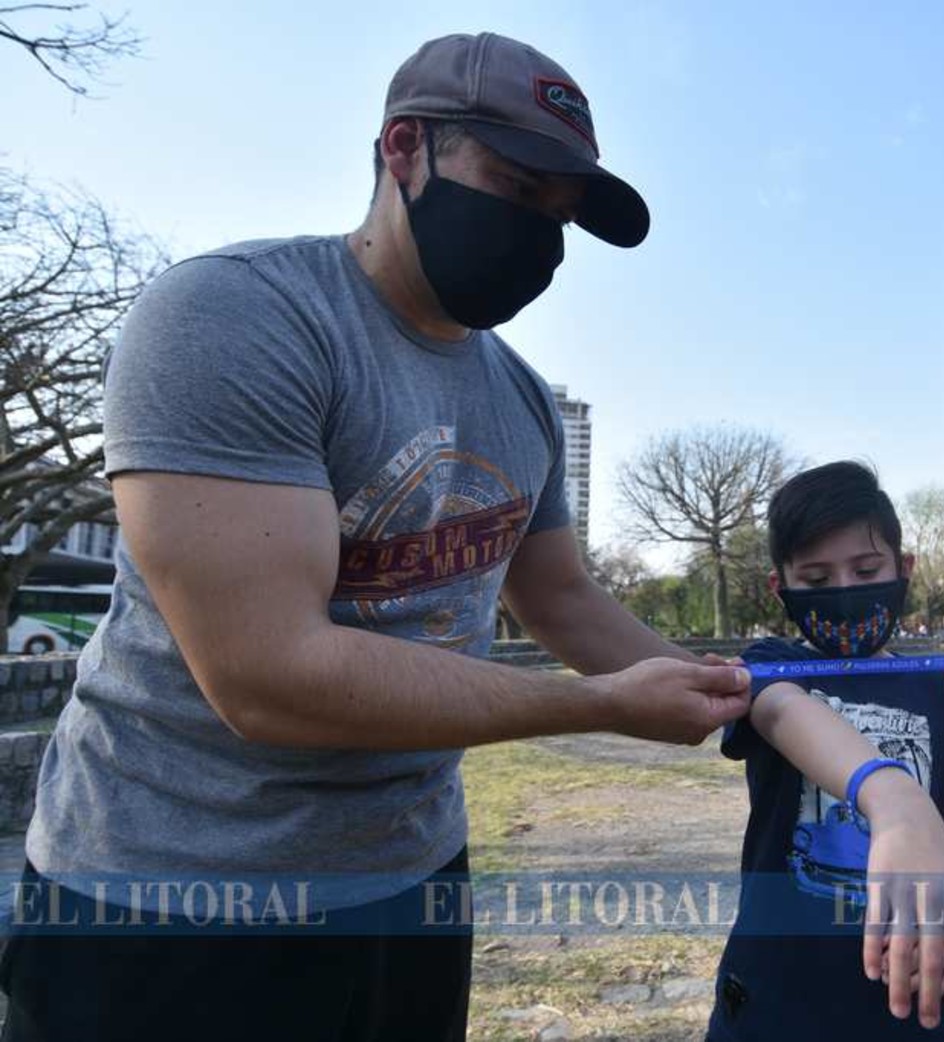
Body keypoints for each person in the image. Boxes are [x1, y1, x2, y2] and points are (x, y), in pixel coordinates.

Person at [0, 33, 755, 1042]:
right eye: (517, 186)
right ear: (404, 148)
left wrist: (748, 698)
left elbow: (564, 598)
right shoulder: (235, 318)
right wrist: (595, 706)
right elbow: (267, 675)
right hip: (165, 897)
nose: (541, 233)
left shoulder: (521, 399)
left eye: (560, 211)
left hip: (408, 882)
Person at [707, 461, 944, 1041]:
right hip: (776, 992)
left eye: (866, 569)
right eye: (815, 580)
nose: (845, 594)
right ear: (778, 588)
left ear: (903, 569)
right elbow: (780, 709)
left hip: (917, 998)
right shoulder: (770, 665)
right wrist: (888, 793)